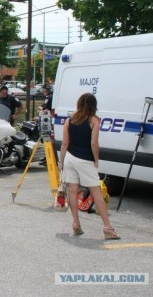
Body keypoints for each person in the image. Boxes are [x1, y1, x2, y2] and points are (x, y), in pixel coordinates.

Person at [58, 93, 120, 240]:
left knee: (72, 191)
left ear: (79, 103)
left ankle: (76, 224)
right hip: (85, 160)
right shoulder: (94, 120)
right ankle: (108, 228)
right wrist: (96, 159)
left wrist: (61, 161)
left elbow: (65, 143)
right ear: (94, 105)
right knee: (97, 193)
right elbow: (94, 143)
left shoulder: (69, 120)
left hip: (70, 158)